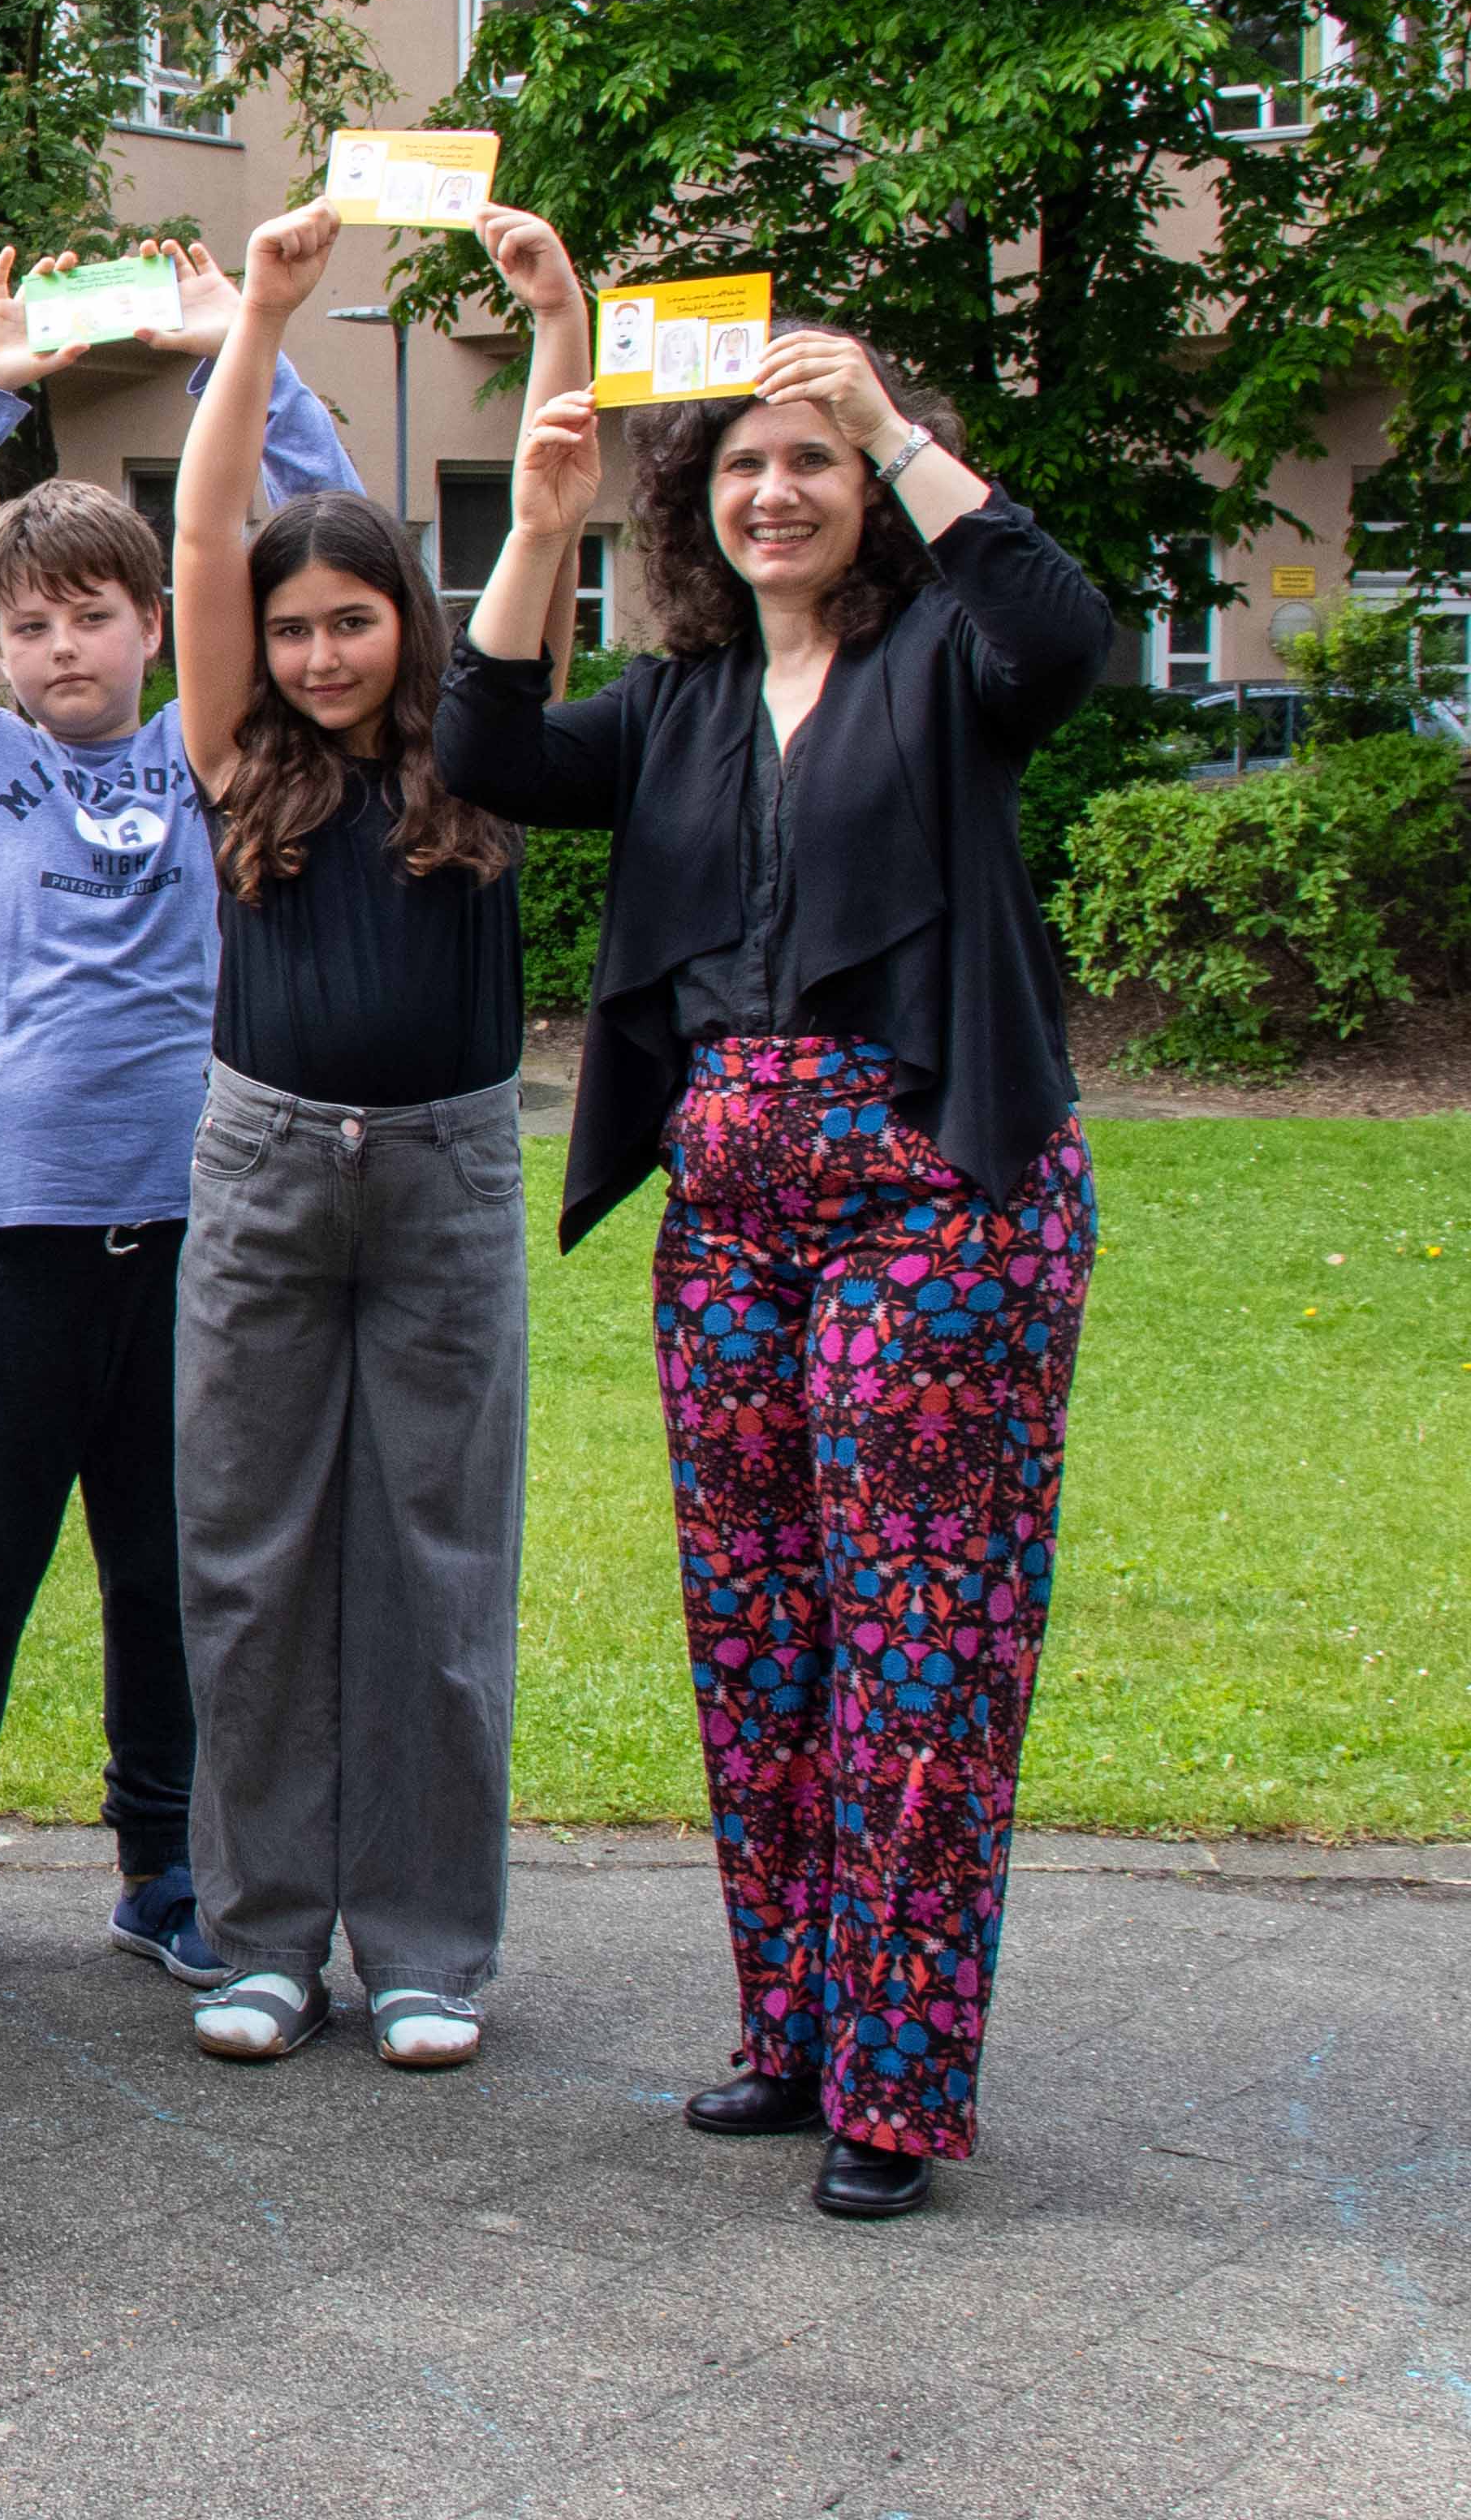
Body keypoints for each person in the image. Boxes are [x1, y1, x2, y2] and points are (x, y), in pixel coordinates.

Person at [441, 320, 1109, 2221]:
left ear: (868, 485)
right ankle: (794, 2029)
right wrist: (537, 518)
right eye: (741, 465)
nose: (776, 491)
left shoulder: (948, 665)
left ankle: (897, 2079)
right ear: (697, 505)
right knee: (759, 1635)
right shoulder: (678, 703)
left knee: (917, 1640)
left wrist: (886, 411)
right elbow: (480, 745)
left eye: (811, 459)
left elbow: (1065, 633)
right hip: (729, 1220)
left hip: (937, 1205)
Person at [0, 238, 352, 1998]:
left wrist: (231, 350)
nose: (57, 645)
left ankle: (160, 1864)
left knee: (170, 1574)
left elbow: (331, 516)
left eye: (91, 615)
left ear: (152, 627)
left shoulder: (219, 741)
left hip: (196, 1221)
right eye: (25, 620)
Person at [162, 203, 546, 2075]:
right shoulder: (236, 745)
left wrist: (554, 327)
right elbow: (199, 527)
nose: (317, 649)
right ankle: (259, 1936)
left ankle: (420, 1947)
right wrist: (263, 316)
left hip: (450, 1174)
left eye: (351, 617)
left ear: (408, 614)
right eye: (295, 621)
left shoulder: (482, 741)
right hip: (258, 1169)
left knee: (436, 1561)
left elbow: (546, 516)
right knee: (247, 1553)